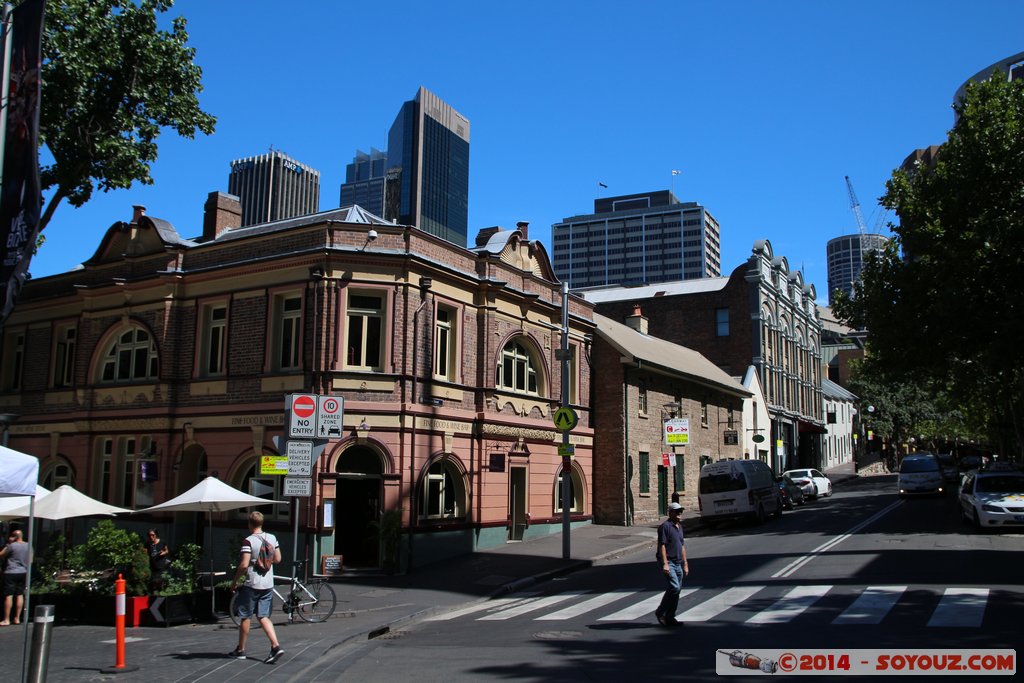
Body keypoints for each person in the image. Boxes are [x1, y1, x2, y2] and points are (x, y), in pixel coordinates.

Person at [228, 511, 284, 663]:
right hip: (268, 583)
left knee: (246, 616)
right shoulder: (272, 538)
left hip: (252, 583)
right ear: (262, 523)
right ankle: (275, 646)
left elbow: (243, 564)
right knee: (263, 616)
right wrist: (266, 560)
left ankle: (241, 650)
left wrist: (234, 581)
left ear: (249, 524)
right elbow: (278, 559)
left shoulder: (249, 541)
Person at [654, 502, 689, 627]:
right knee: (674, 587)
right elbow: (662, 545)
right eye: (677, 511)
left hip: (678, 562)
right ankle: (660, 612)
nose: (680, 513)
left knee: (677, 591)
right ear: (670, 513)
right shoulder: (665, 527)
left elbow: (682, 546)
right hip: (669, 561)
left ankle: (670, 617)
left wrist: (685, 563)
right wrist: (665, 563)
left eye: (681, 511)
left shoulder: (679, 526)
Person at [0, 530, 31, 626]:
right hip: (23, 572)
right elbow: (30, 559)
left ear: (14, 537)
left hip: (11, 572)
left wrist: (8, 544)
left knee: (9, 595)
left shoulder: (12, 546)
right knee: (19, 594)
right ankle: (17, 618)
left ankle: (6, 619)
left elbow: (1, 554)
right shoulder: (28, 545)